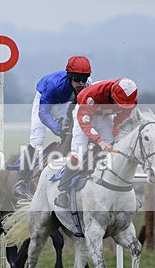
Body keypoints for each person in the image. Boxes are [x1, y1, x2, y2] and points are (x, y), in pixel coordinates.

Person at [13, 56, 92, 198]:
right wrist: (58, 130)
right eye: (76, 79)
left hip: (66, 102)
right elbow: (43, 113)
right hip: (45, 102)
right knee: (37, 140)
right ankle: (21, 180)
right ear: (69, 76)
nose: (80, 83)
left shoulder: (87, 86)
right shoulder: (54, 85)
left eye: (84, 79)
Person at [54, 77, 139, 208]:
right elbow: (85, 121)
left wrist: (116, 137)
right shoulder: (92, 94)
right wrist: (99, 141)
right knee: (79, 154)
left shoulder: (131, 101)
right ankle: (63, 191)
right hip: (84, 114)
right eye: (118, 103)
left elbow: (120, 121)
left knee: (112, 151)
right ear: (112, 94)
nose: (119, 107)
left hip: (104, 116)